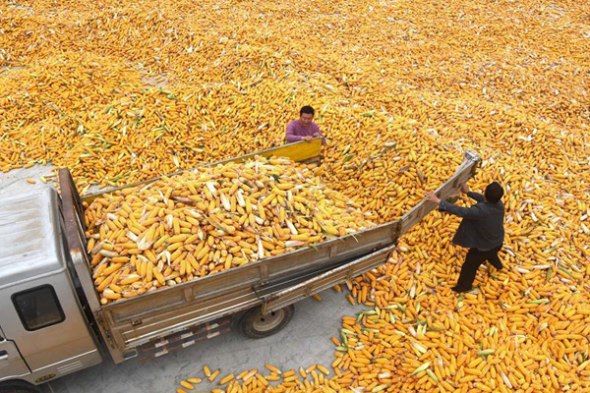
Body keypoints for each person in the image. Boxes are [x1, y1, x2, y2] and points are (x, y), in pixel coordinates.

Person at [425, 181, 505, 293]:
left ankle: (463, 287)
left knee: (469, 266)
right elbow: (483, 199)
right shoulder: (499, 205)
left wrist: (438, 201)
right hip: (498, 241)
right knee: (492, 252)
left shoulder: (480, 211)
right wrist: (468, 193)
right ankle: (498, 265)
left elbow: (461, 211)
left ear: (486, 194)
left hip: (484, 246)